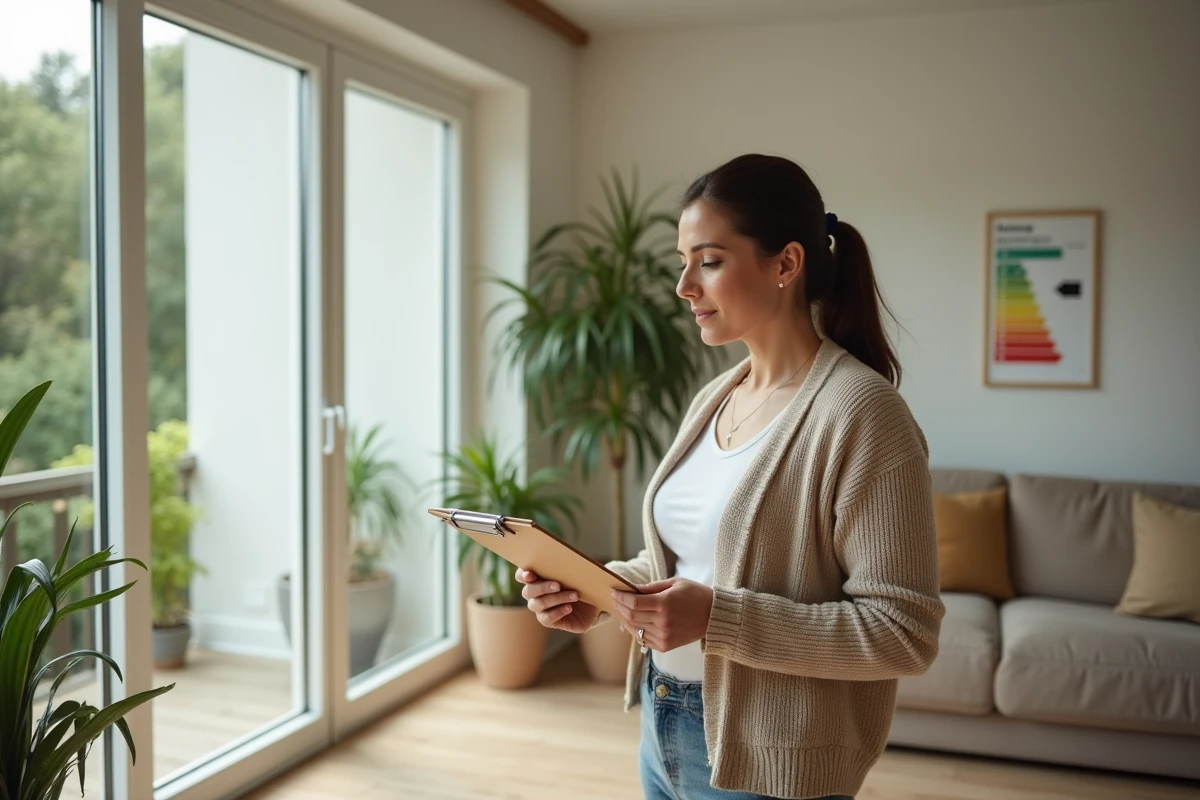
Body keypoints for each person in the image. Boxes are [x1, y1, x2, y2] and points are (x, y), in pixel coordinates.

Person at [516, 153, 945, 800]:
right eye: (682, 262)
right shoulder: (718, 395)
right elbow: (694, 566)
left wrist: (717, 620)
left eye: (709, 261)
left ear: (785, 264)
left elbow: (902, 634)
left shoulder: (862, 413)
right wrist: (598, 593)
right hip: (664, 727)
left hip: (770, 767)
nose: (685, 285)